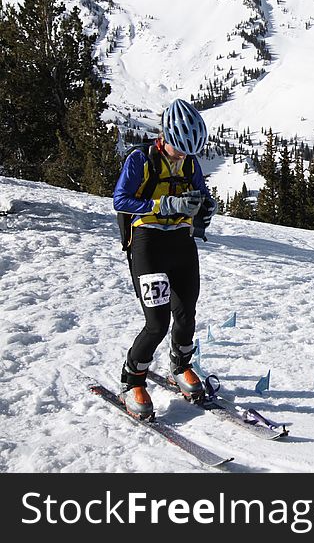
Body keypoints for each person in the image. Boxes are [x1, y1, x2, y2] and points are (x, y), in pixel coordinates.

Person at [113, 98, 217, 419]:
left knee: (187, 314)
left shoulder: (190, 164)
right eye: (180, 148)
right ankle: (133, 379)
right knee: (157, 323)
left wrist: (205, 207)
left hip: (181, 244)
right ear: (165, 137)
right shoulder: (140, 160)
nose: (184, 156)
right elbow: (121, 200)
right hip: (148, 246)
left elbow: (201, 195)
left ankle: (180, 366)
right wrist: (162, 206)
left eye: (190, 151)